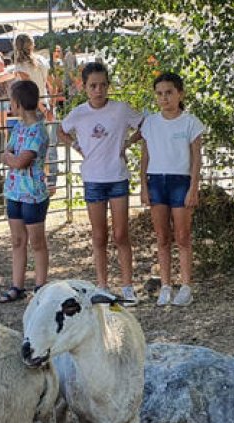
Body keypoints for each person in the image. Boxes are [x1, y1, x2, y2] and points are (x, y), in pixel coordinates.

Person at [59, 62, 144, 305]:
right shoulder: (79, 113)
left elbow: (143, 124)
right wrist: (76, 146)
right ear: (84, 87)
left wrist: (127, 143)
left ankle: (127, 286)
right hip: (93, 179)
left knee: (121, 233)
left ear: (108, 86)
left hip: (117, 176)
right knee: (99, 235)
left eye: (103, 85)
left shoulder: (120, 109)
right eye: (93, 86)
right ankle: (102, 285)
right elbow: (61, 131)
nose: (98, 90)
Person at [140, 73, 204, 307]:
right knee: (162, 236)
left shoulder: (190, 122)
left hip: (181, 181)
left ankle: (186, 286)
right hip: (157, 181)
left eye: (169, 92)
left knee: (183, 236)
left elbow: (197, 158)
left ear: (180, 94)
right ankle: (165, 285)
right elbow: (144, 156)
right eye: (159, 94)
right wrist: (144, 186)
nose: (164, 98)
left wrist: (193, 187)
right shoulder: (150, 123)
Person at [0, 80, 50, 303]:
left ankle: (40, 285)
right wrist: (12, 159)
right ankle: (17, 285)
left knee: (37, 241)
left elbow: (20, 160)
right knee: (17, 240)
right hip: (14, 191)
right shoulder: (18, 127)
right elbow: (9, 154)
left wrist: (11, 159)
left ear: (18, 103)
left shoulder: (38, 130)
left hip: (33, 193)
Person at [12, 34, 60, 191]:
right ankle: (52, 180)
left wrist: (43, 109)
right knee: (50, 143)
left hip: (34, 107)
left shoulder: (21, 66)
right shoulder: (42, 60)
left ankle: (37, 180)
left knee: (32, 146)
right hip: (46, 103)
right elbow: (53, 85)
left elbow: (30, 90)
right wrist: (51, 107)